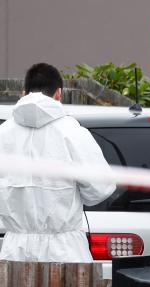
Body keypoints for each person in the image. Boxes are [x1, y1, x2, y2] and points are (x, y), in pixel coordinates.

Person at [0, 63, 115, 262]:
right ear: (59, 93)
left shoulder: (3, 133)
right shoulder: (72, 132)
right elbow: (101, 188)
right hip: (64, 251)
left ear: (23, 92)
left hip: (14, 252)